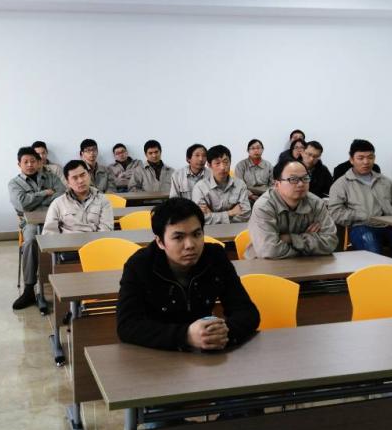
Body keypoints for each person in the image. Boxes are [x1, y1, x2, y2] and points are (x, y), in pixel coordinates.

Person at [116, 197, 260, 351]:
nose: (190, 245)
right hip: (159, 353)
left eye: (197, 234)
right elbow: (127, 325)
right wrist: (186, 336)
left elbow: (247, 312)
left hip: (206, 354)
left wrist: (222, 333)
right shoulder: (139, 265)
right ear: (160, 242)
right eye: (178, 237)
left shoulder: (215, 256)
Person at [8, 147, 65, 310]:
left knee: (73, 235)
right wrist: (45, 194)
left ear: (39, 162)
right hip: (31, 222)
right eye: (25, 162)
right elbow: (22, 204)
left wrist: (33, 200)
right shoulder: (14, 183)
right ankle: (29, 289)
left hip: (56, 218)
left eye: (33, 161)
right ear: (19, 164)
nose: (30, 165)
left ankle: (66, 281)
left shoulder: (51, 177)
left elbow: (61, 195)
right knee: (31, 242)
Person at [245, 158, 337, 259]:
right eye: (293, 179)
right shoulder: (264, 207)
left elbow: (331, 243)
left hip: (307, 264)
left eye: (305, 178)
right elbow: (270, 250)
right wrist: (308, 241)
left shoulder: (316, 203)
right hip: (264, 264)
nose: (301, 184)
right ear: (277, 184)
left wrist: (290, 238)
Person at [327, 139, 392, 254]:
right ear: (351, 160)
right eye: (361, 158)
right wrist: (363, 216)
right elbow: (335, 212)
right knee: (373, 250)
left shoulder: (386, 182)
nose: (366, 162)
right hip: (361, 227)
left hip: (390, 226)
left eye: (370, 157)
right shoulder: (341, 184)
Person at [42, 160, 114, 235]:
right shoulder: (58, 203)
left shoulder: (103, 200)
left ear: (89, 175)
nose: (80, 181)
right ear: (68, 182)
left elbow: (106, 229)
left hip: (96, 241)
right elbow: (49, 232)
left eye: (83, 175)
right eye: (75, 178)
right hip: (68, 241)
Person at [192, 145, 252, 224]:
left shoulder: (240, 184)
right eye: (217, 163)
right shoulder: (200, 187)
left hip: (236, 228)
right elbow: (200, 217)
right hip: (209, 230)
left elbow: (246, 213)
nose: (223, 167)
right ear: (209, 165)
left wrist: (212, 215)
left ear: (230, 163)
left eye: (226, 162)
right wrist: (231, 213)